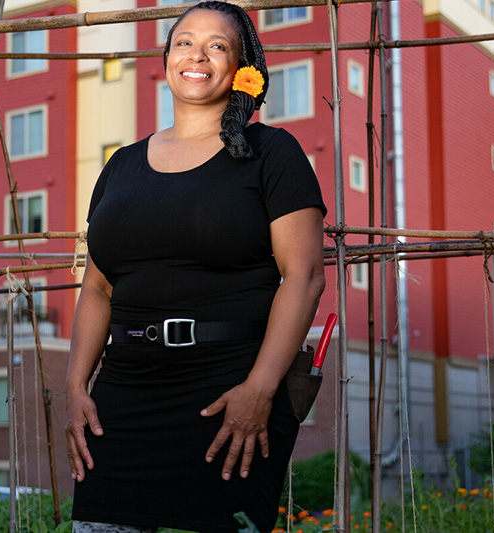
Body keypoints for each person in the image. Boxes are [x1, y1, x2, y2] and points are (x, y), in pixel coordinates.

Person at [65, 2, 326, 531]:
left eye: (217, 45)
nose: (197, 55)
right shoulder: (121, 165)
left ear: (241, 67)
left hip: (228, 397)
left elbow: (304, 277)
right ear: (165, 59)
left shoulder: (271, 152)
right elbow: (97, 287)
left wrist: (260, 389)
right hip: (124, 394)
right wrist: (74, 386)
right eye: (184, 42)